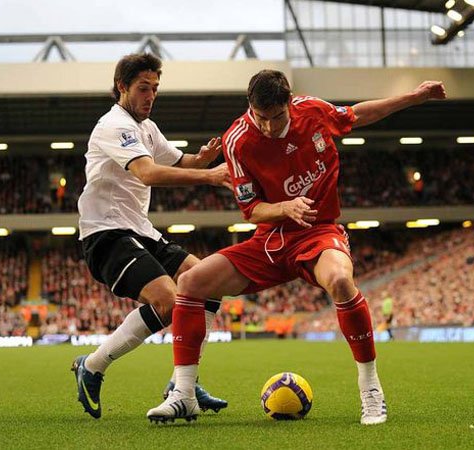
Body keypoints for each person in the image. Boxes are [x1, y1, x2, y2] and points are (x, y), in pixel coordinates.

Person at [147, 70, 446, 425]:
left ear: (290, 103)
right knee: (192, 283)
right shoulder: (237, 140)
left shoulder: (313, 111)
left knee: (339, 280)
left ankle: (370, 389)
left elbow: (358, 114)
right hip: (270, 240)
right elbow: (252, 209)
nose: (270, 127)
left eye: (277, 117)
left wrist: (414, 97)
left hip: (318, 232)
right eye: (262, 118)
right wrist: (284, 208)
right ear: (250, 108)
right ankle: (183, 395)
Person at [72, 52, 231, 419]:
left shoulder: (147, 127)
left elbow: (180, 162)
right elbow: (148, 173)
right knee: (168, 301)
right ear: (121, 87)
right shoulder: (114, 125)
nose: (150, 96)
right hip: (106, 233)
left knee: (208, 283)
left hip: (141, 231)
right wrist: (209, 176)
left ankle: (183, 386)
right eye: (144, 88)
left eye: (155, 89)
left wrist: (204, 158)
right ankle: (92, 366)